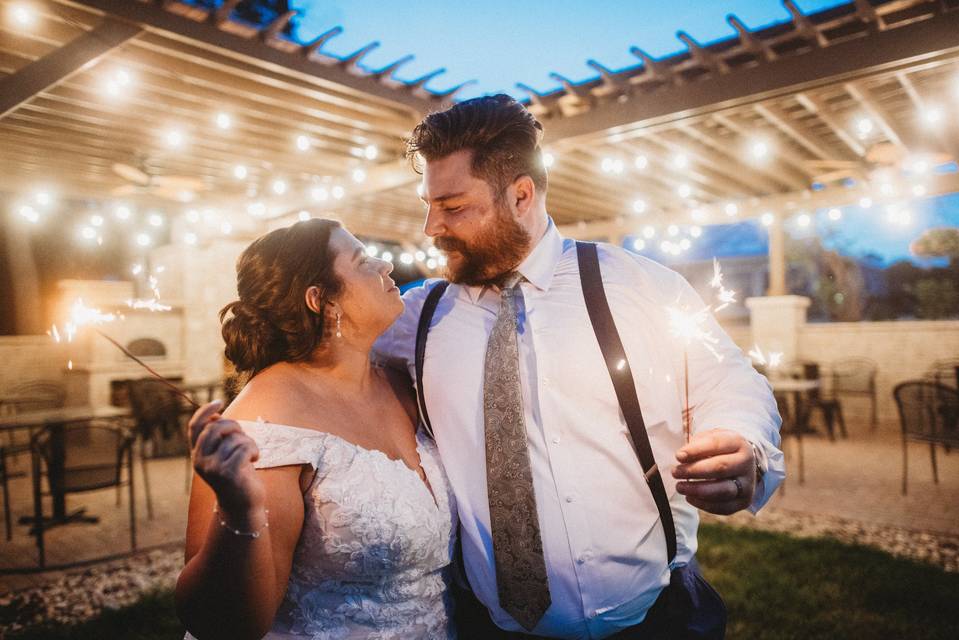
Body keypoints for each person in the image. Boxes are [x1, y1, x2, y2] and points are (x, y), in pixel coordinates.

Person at [373, 94, 785, 639]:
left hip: (657, 620)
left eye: (452, 207)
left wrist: (743, 442)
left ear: (521, 194)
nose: (431, 227)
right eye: (428, 204)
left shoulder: (639, 285)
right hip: (488, 626)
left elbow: (729, 380)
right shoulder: (414, 317)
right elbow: (320, 367)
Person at [175, 219, 458, 640]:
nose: (385, 265)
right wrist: (239, 510)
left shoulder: (401, 385)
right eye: (363, 260)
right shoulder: (267, 422)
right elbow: (229, 624)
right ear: (322, 300)